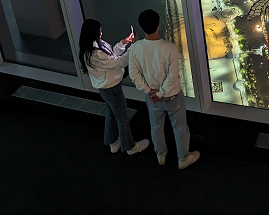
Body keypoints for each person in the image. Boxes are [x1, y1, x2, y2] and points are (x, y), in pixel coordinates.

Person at [128, 9, 200, 169]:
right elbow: (172, 76)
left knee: (156, 127)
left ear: (141, 27)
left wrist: (150, 92)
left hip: (152, 98)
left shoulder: (135, 48)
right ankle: (183, 158)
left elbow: (134, 75)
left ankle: (161, 155)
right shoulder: (169, 48)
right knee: (180, 128)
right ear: (159, 24)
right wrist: (160, 93)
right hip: (172, 97)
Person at [78, 19, 150, 156]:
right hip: (111, 88)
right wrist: (134, 47)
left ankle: (112, 142)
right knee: (122, 117)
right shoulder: (95, 53)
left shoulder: (92, 46)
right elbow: (119, 62)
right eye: (99, 31)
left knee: (112, 113)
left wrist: (124, 42)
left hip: (107, 87)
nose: (101, 32)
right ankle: (130, 147)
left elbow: (111, 54)